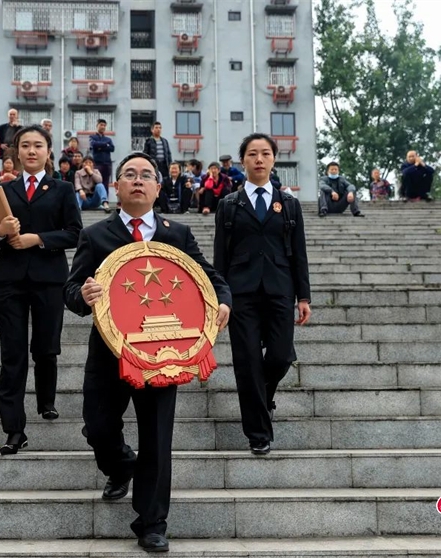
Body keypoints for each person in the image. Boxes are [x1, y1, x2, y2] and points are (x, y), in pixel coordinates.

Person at [64, 151, 231, 553]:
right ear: (117, 187)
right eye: (129, 175)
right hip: (110, 352)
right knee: (98, 426)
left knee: (157, 437)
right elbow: (70, 293)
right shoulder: (96, 235)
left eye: (146, 175)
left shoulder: (178, 234)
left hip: (165, 354)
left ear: (158, 187)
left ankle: (152, 522)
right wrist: (83, 295)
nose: (138, 180)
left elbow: (209, 279)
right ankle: (121, 465)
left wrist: (223, 301)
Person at [0, 124, 82, 456]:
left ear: (48, 151)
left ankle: (47, 399)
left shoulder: (62, 189)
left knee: (45, 347)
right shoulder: (4, 191)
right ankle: (14, 429)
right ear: (16, 152)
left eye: (38, 145)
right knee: (12, 355)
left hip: (49, 279)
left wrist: (37, 239)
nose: (31, 151)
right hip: (10, 281)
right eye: (25, 145)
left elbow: (75, 234)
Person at [213, 132, 311, 456]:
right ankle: (258, 434)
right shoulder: (228, 205)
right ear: (242, 161)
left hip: (279, 290)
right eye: (252, 154)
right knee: (248, 363)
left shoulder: (290, 204)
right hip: (240, 294)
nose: (259, 159)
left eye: (265, 153)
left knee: (281, 356)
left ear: (273, 160)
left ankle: (264, 397)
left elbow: (299, 253)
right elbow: (220, 257)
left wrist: (303, 297)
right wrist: (220, 297)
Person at [89, 118, 115, 187]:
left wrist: (100, 147)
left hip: (107, 164)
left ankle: (105, 197)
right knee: (97, 183)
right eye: (101, 125)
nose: (103, 127)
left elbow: (112, 148)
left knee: (106, 183)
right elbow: (93, 145)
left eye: (104, 125)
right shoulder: (92, 137)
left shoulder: (108, 139)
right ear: (97, 126)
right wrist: (106, 145)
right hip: (97, 164)